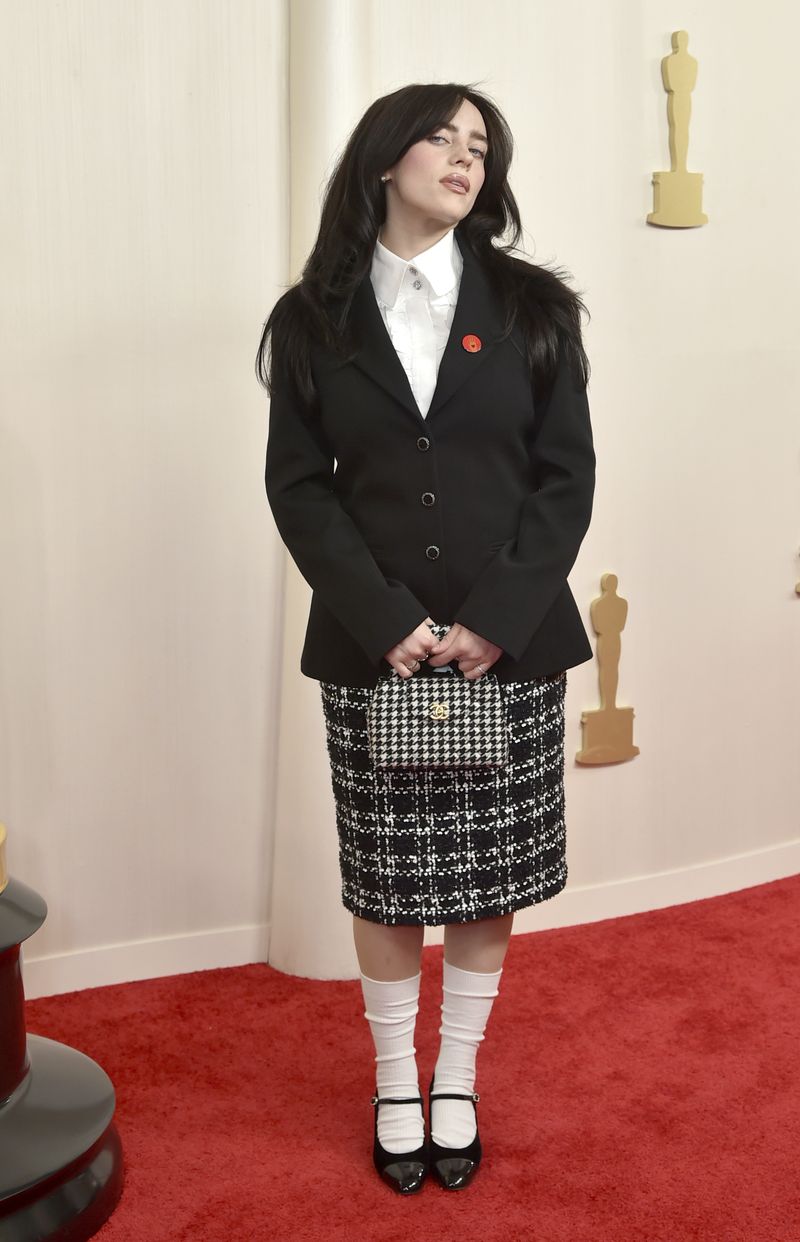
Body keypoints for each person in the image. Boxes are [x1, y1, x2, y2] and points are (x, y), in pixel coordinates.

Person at [256, 81, 596, 1195]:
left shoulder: (534, 308)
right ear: (384, 158)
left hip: (507, 645)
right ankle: (394, 1082)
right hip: (377, 650)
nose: (463, 158)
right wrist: (387, 618)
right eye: (441, 138)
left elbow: (564, 480)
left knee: (487, 877)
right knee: (388, 881)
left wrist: (493, 621)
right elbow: (300, 488)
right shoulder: (314, 317)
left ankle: (457, 1076)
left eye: (479, 147)